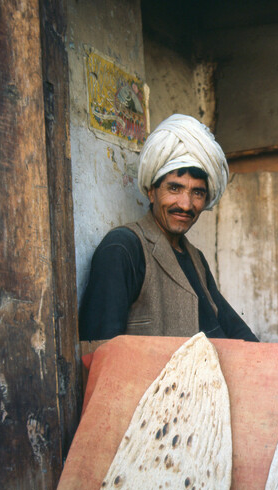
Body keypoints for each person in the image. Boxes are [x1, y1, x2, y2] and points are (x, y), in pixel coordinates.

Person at [79, 114, 259, 342]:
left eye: (197, 193)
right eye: (175, 188)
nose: (185, 204)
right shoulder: (123, 249)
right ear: (151, 191)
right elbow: (98, 352)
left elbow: (234, 330)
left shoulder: (195, 258)